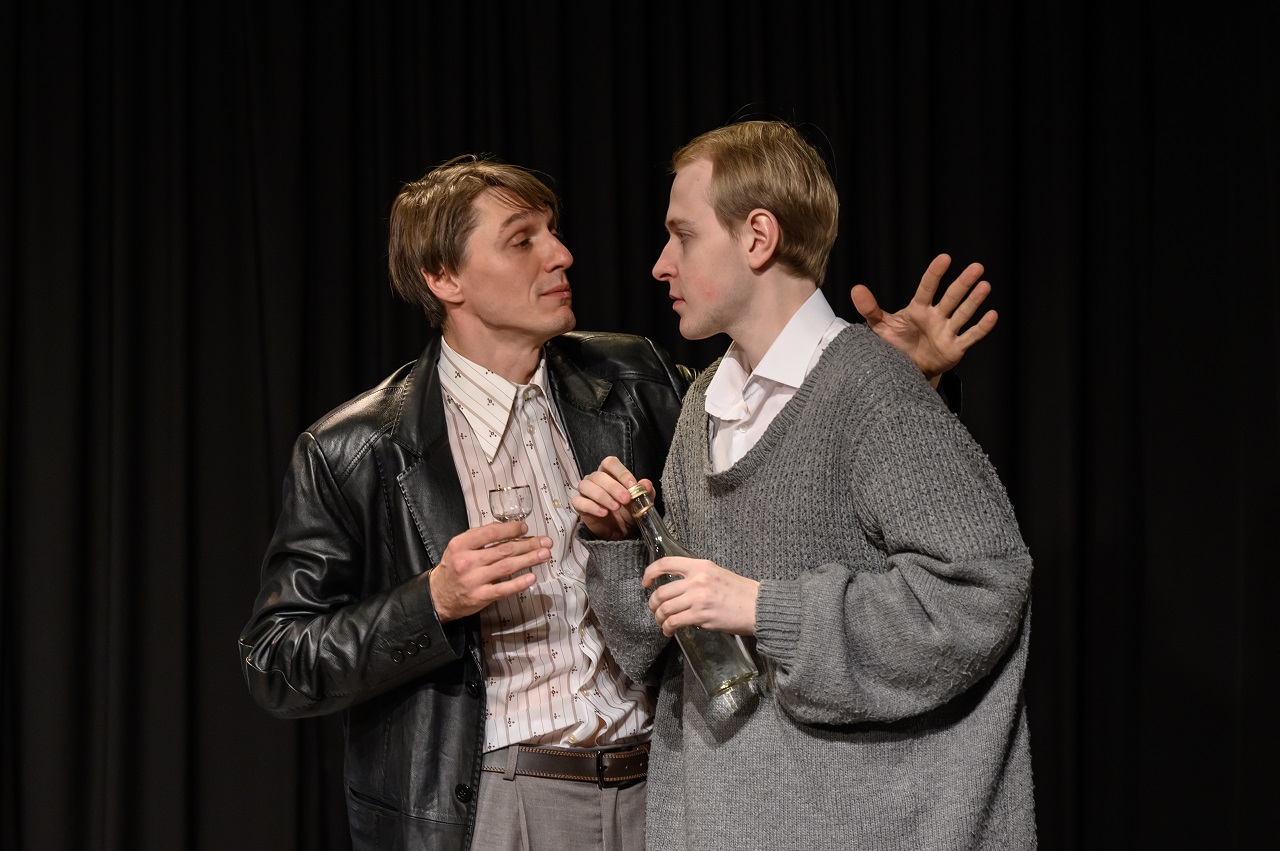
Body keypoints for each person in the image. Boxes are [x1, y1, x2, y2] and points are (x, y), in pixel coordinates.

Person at [238, 153, 998, 851]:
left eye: (553, 232)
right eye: (523, 240)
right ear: (445, 278)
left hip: (665, 786)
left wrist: (900, 378)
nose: (561, 254)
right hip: (500, 802)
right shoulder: (356, 449)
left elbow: (783, 437)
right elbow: (277, 660)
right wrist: (430, 600)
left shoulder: (636, 380)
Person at [573, 121, 1035, 851]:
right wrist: (618, 546)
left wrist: (763, 607)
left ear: (758, 237)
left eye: (683, 236)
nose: (661, 265)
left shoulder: (873, 391)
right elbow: (661, 654)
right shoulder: (705, 406)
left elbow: (983, 590)